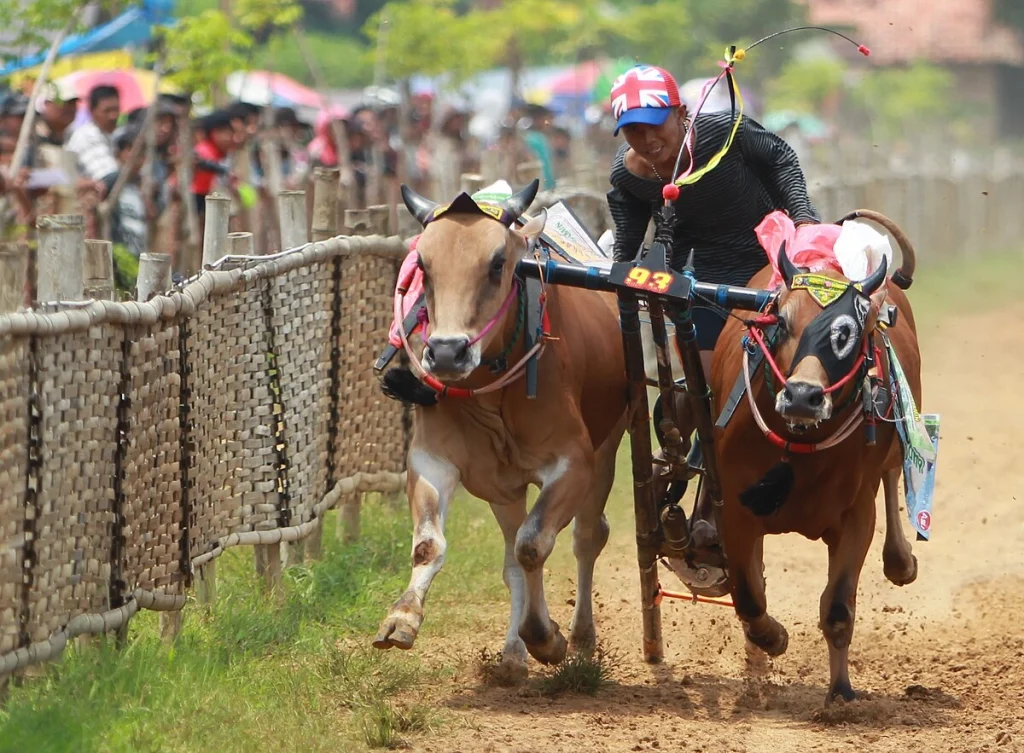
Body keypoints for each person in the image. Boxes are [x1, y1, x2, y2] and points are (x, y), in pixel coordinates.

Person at [606, 63, 819, 571]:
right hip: (701, 282)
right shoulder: (629, 174)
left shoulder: (725, 133)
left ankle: (719, 498)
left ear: (680, 114)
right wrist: (622, 271)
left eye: (655, 123)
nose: (646, 138)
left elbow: (783, 160)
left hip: (770, 263)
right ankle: (679, 483)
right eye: (633, 129)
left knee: (756, 380)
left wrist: (804, 223)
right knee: (702, 389)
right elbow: (628, 235)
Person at [65, 84, 121, 184]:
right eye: (107, 111)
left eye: (116, 109)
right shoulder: (86, 136)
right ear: (92, 111)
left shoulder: (113, 134)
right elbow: (107, 177)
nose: (113, 116)